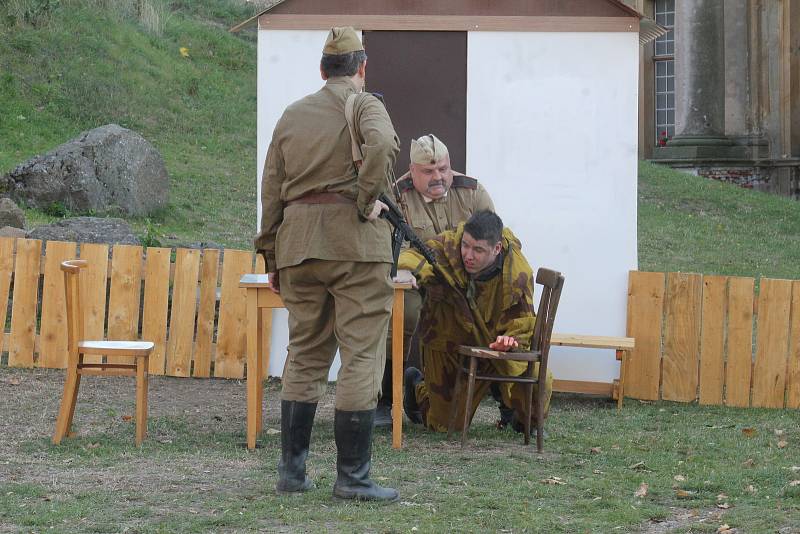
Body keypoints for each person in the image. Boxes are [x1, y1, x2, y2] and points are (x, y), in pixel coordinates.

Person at [254, 26, 400, 502]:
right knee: (361, 354)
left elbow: (271, 188)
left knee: (306, 353)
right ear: (361, 67)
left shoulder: (292, 115)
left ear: (322, 69)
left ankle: (292, 474)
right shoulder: (365, 103)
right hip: (355, 246)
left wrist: (272, 254)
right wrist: (364, 201)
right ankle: (353, 478)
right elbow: (381, 146)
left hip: (298, 244)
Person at [395, 210, 554, 433]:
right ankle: (417, 387)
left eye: (478, 250)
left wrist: (510, 340)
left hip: (496, 345)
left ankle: (521, 417)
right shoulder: (449, 245)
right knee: (444, 425)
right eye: (466, 245)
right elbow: (418, 254)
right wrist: (408, 270)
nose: (468, 255)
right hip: (451, 338)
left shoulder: (517, 272)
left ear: (496, 248)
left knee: (537, 376)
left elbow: (524, 319)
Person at [375, 134, 495, 426]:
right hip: (419, 280)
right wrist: (415, 269)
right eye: (428, 171)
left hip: (465, 280)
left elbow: (494, 237)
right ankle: (385, 400)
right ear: (412, 170)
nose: (438, 177)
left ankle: (506, 400)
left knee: (495, 313)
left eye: (443, 168)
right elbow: (393, 246)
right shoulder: (397, 196)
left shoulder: (472, 191)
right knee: (402, 314)